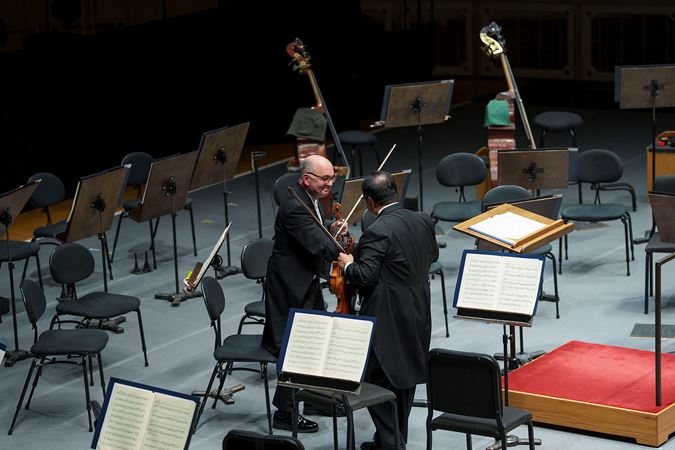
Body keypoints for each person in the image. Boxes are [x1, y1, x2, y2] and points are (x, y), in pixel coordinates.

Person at [338, 171, 439, 450]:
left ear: (369, 202)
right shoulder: (422, 219)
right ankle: (391, 437)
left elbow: (364, 275)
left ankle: (392, 440)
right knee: (406, 373)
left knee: (374, 375)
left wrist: (347, 263)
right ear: (395, 192)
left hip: (387, 314)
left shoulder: (377, 231)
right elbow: (433, 256)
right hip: (418, 306)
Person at [263, 154, 346, 433]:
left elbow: (318, 232)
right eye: (325, 178)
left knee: (317, 339)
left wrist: (332, 229)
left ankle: (313, 400)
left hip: (305, 281)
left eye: (332, 177)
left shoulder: (307, 198)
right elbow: (317, 245)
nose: (330, 183)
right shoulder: (294, 206)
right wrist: (345, 254)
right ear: (307, 178)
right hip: (290, 287)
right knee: (295, 347)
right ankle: (285, 413)